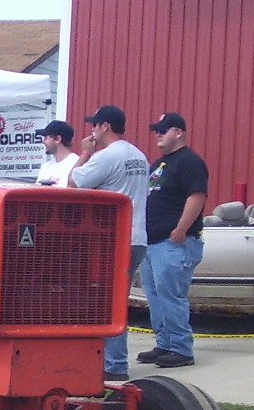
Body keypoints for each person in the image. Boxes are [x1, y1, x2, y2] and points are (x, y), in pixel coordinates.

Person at [68, 105, 149, 381]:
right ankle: (112, 360)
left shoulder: (106, 157)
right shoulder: (138, 155)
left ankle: (113, 363)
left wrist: (84, 153)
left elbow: (74, 184)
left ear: (105, 126)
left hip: (113, 238)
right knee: (117, 301)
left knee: (105, 303)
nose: (91, 131)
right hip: (138, 237)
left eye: (95, 126)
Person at [137, 112, 208, 369]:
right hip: (152, 243)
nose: (158, 133)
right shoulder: (158, 165)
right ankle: (164, 343)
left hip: (175, 242)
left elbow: (197, 196)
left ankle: (181, 348)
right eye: (157, 129)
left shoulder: (189, 161)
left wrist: (180, 230)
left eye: (164, 129)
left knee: (171, 295)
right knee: (154, 296)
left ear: (178, 132)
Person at [34, 120, 79, 187]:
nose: (43, 142)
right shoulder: (45, 167)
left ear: (58, 139)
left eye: (46, 138)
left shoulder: (76, 164)